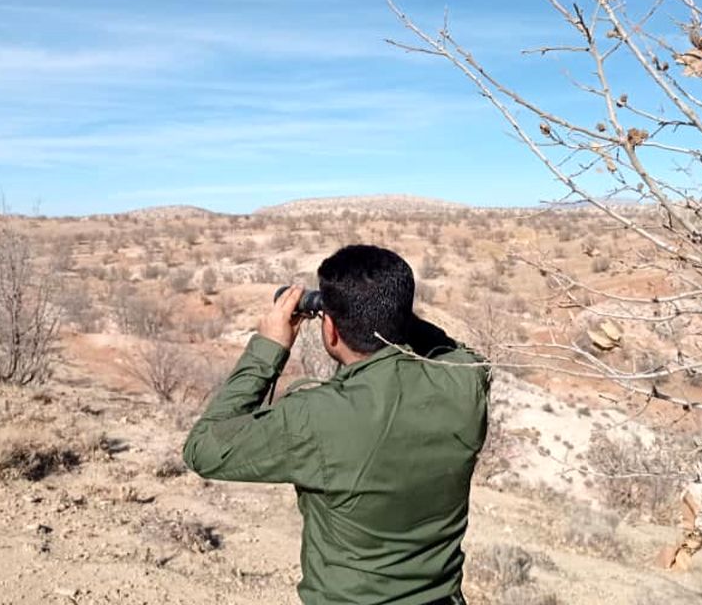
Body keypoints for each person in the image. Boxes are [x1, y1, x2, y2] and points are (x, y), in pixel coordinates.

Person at [182, 245, 491, 605]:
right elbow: (454, 349)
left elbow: (203, 448)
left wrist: (268, 347)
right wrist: (391, 315)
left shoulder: (316, 416)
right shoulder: (465, 384)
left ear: (329, 330)